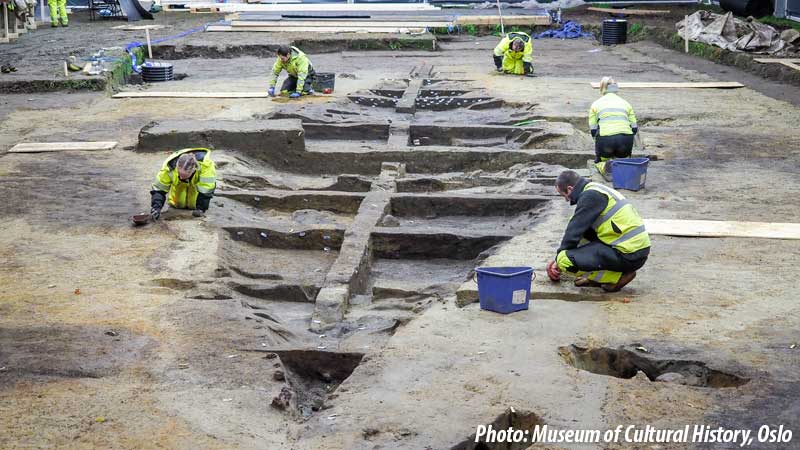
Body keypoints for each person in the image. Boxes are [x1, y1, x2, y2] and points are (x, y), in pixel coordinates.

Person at [546, 170, 650, 292]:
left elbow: (573, 233)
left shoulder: (590, 196)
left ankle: (616, 278)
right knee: (581, 238)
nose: (566, 200)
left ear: (569, 189)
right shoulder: (596, 189)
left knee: (564, 260)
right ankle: (601, 276)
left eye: (564, 196)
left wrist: (558, 259)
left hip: (628, 255)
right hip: (634, 250)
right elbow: (579, 233)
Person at [589, 77, 638, 179]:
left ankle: (605, 167)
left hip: (606, 141)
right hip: (625, 140)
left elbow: (593, 130)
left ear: (602, 88)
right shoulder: (626, 103)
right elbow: (634, 128)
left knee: (601, 161)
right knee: (622, 162)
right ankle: (622, 173)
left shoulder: (596, 104)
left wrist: (599, 144)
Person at [150, 148, 216, 220]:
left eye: (184, 176)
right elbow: (159, 189)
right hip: (177, 198)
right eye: (179, 174)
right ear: (177, 166)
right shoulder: (169, 168)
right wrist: (156, 207)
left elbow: (206, 189)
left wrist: (201, 208)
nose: (181, 178)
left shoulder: (206, 167)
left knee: (194, 203)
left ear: (194, 169)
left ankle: (197, 205)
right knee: (178, 203)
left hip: (195, 192)